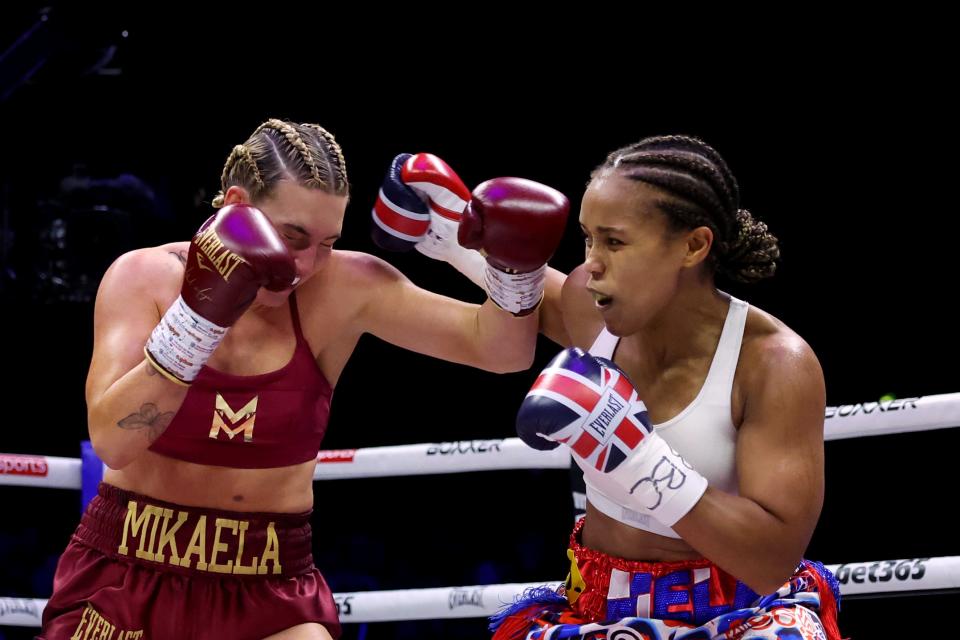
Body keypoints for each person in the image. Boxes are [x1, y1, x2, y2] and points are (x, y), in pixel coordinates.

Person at [38, 119, 569, 639]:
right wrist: (197, 321)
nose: (305, 265)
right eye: (292, 237)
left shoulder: (344, 287)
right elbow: (114, 441)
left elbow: (500, 351)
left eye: (326, 242)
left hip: (269, 586)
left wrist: (512, 270)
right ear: (236, 205)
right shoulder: (144, 278)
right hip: (129, 569)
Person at [488, 135, 843, 638]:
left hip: (734, 617)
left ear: (693, 246)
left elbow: (770, 561)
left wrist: (635, 456)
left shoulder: (772, 364)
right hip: (594, 608)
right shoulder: (589, 306)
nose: (593, 262)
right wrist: (453, 230)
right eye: (588, 239)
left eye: (614, 241)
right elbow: (526, 299)